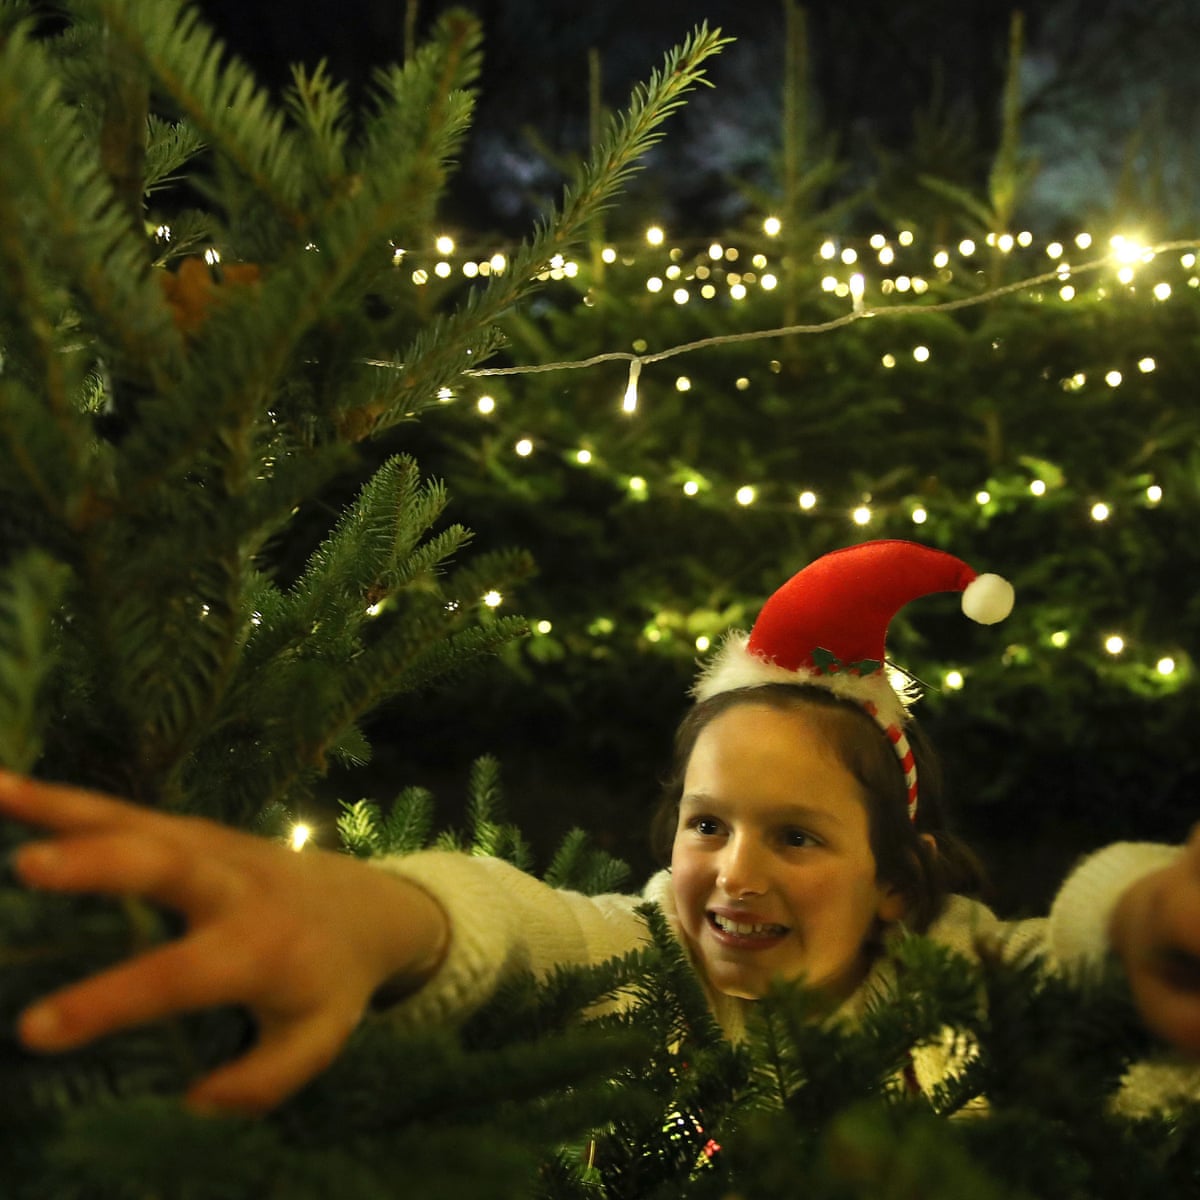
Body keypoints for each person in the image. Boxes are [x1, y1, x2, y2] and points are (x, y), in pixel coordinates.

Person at [3, 540, 1200, 1117]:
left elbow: (1085, 959)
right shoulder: (641, 965)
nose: (733, 872)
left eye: (796, 839)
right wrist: (377, 913)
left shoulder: (959, 980)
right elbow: (519, 926)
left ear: (899, 881)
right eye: (707, 824)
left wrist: (1150, 911)